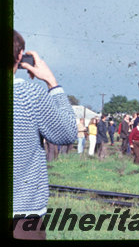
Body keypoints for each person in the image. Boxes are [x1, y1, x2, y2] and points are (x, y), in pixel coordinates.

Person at [12, 30, 78, 240]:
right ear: (21, 56)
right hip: (22, 215)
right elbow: (67, 133)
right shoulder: (30, 95)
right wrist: (52, 82)